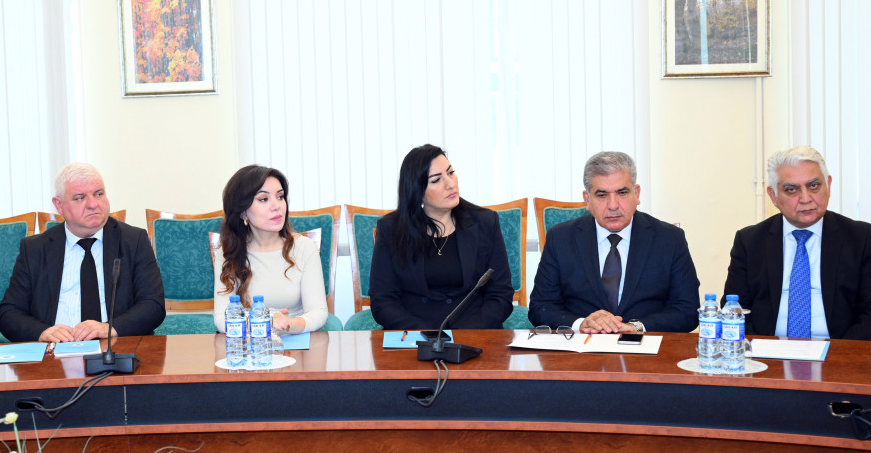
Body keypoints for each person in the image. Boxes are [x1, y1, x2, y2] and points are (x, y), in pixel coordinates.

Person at [529, 151, 699, 334]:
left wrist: (636, 327)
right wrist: (581, 324)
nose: (612, 205)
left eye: (622, 193)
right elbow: (541, 307)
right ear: (587, 199)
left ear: (637, 193)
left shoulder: (669, 239)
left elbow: (687, 310)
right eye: (602, 195)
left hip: (646, 344)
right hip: (582, 345)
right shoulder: (560, 238)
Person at [0, 163, 165, 342]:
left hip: (114, 346)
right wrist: (42, 332)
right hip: (56, 350)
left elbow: (153, 305)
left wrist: (109, 328)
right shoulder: (35, 249)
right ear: (59, 205)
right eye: (79, 198)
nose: (93, 204)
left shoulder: (133, 241)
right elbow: (9, 313)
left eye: (99, 194)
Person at [724, 146, 871, 340]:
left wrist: (839, 352)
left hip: (838, 349)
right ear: (773, 196)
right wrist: (762, 348)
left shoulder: (861, 238)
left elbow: (868, 316)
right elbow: (734, 311)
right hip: (768, 350)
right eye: (791, 190)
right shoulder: (749, 242)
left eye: (814, 186)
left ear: (828, 185)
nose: (806, 198)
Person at [368, 145, 514, 330]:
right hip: (413, 333)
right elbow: (383, 299)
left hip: (474, 331)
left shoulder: (485, 222)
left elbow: (500, 294)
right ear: (417, 191)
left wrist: (465, 334)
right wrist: (425, 335)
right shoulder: (392, 229)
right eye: (436, 180)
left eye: (450, 173)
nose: (450, 183)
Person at [213, 165, 328, 334]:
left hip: (295, 338)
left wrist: (288, 324)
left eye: (280, 197)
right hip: (250, 340)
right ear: (243, 212)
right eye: (264, 199)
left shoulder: (304, 247)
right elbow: (222, 318)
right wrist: (262, 324)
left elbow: (318, 312)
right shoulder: (228, 253)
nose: (277, 206)